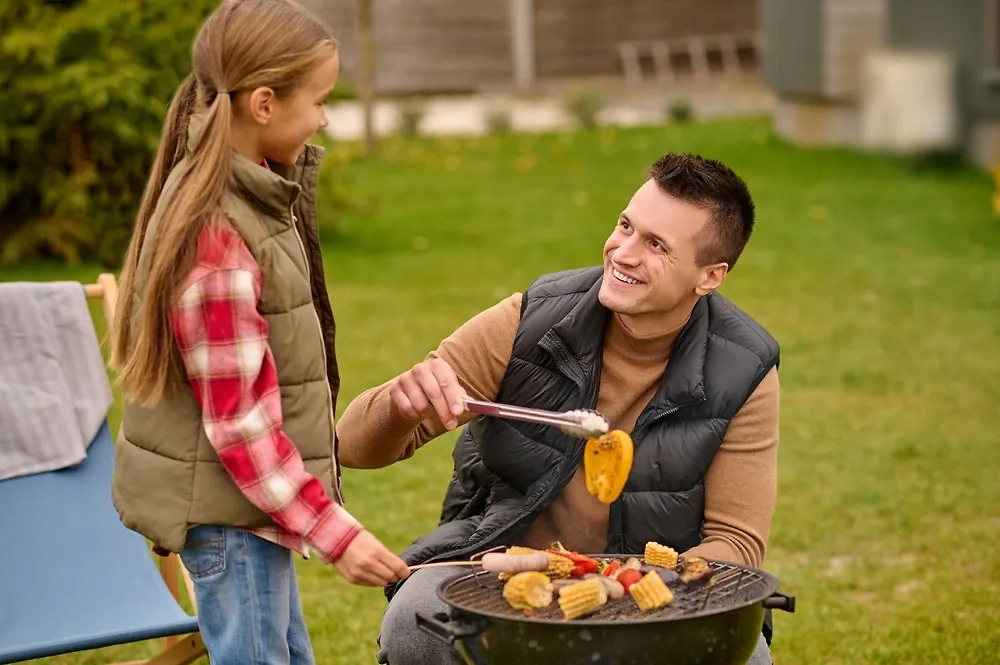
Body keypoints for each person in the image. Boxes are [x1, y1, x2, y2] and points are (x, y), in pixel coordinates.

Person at [336, 152, 781, 665]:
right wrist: (400, 406)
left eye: (656, 245)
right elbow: (349, 447)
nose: (623, 253)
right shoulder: (528, 321)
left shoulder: (743, 369)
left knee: (749, 659)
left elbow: (735, 543)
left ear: (710, 276)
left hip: (655, 591)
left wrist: (628, 586)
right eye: (626, 226)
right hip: (506, 575)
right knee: (415, 621)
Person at [107, 2, 409, 663]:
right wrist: (337, 536)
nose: (324, 118)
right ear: (265, 104)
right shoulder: (218, 235)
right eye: (319, 100)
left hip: (245, 514)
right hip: (231, 521)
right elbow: (239, 426)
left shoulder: (247, 191)